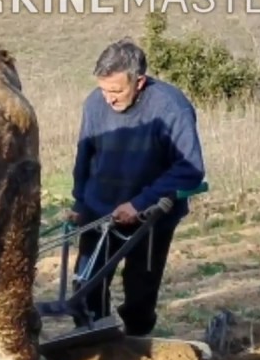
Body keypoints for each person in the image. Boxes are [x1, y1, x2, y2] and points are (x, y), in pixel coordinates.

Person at [66, 38, 206, 337]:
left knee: (140, 295)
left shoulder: (171, 107)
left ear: (139, 81)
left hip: (150, 218)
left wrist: (140, 204)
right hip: (99, 211)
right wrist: (79, 202)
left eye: (116, 90)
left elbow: (190, 169)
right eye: (104, 89)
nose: (109, 99)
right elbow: (85, 156)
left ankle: (137, 347)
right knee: (85, 288)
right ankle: (95, 345)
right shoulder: (94, 103)